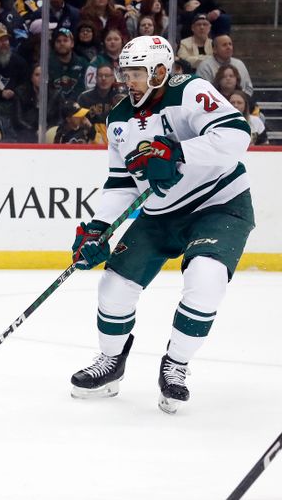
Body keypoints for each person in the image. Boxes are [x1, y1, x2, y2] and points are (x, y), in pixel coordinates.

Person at [69, 35, 254, 415]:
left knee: (206, 277)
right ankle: (110, 362)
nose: (128, 81)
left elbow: (236, 135)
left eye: (137, 73)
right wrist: (98, 228)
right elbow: (121, 183)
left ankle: (176, 364)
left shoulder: (191, 91)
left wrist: (178, 152)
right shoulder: (119, 117)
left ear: (159, 71)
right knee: (114, 286)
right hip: (160, 213)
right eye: (126, 73)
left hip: (218, 203)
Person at [78, 64, 127, 144]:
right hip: (90, 138)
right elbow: (80, 122)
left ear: (113, 78)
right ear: (96, 78)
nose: (103, 78)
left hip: (116, 138)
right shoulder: (84, 98)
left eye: (107, 76)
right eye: (100, 75)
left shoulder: (120, 98)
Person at [13, 64, 61, 143]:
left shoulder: (56, 95)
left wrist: (48, 130)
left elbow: (60, 119)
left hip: (49, 132)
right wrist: (34, 131)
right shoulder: (20, 93)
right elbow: (18, 119)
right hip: (27, 132)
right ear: (31, 78)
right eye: (37, 75)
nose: (41, 78)